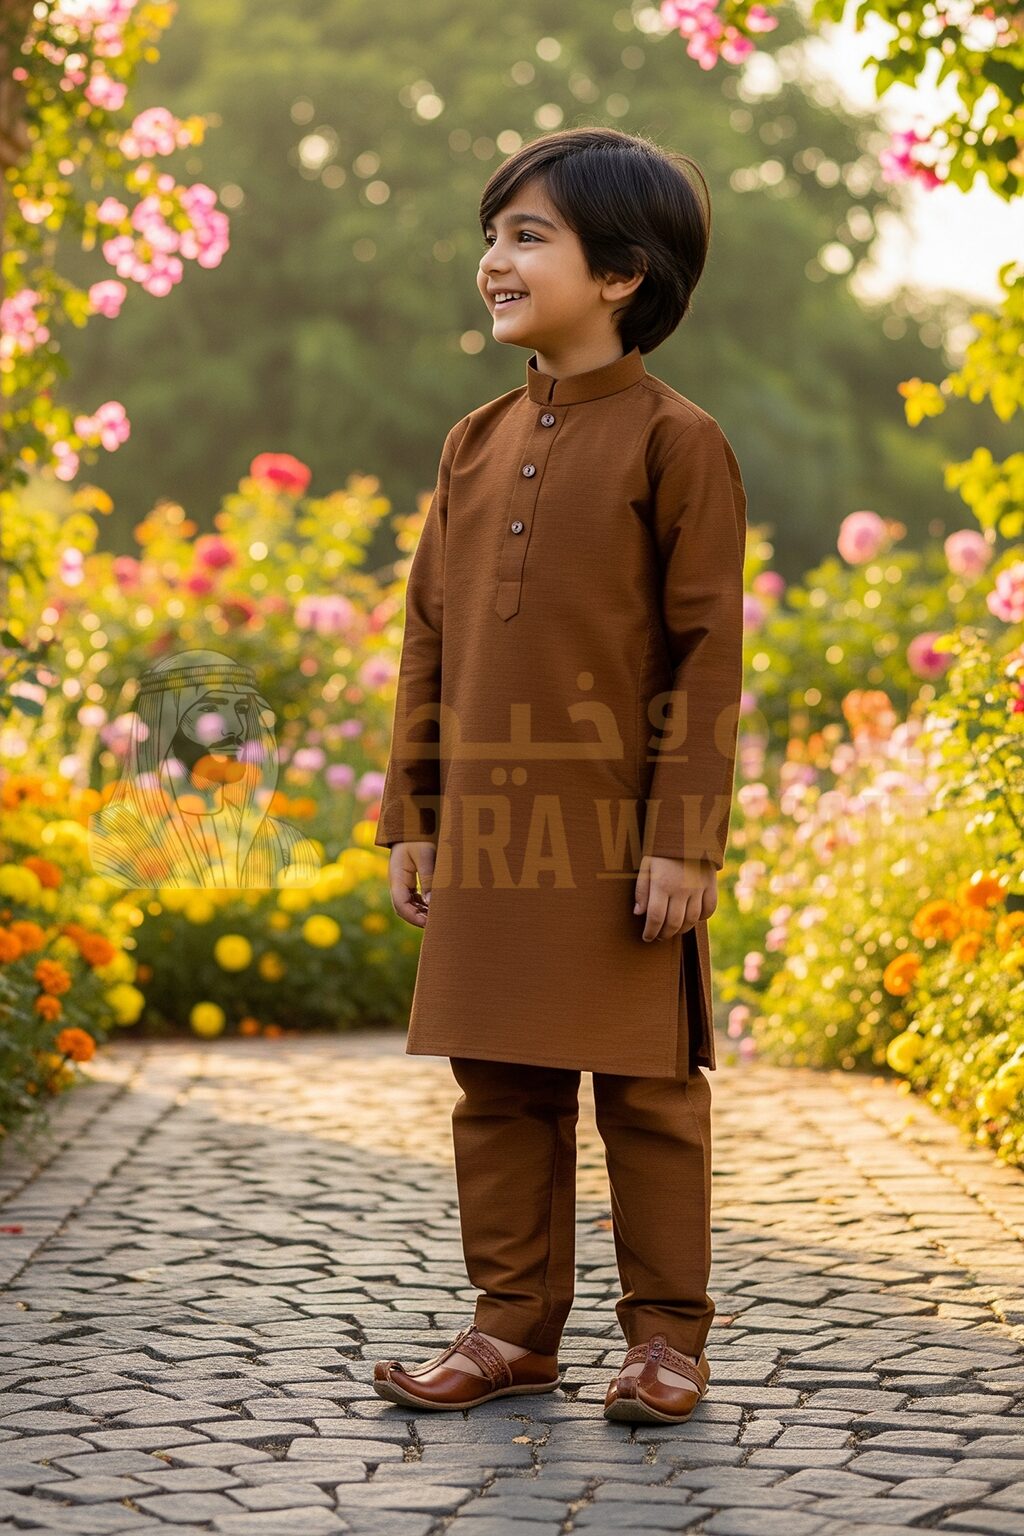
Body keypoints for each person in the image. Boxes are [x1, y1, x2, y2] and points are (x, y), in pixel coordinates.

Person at [371, 126, 747, 1425]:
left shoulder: (677, 442)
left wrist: (684, 838)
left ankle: (666, 1342)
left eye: (529, 236)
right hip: (489, 829)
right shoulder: (472, 443)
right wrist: (413, 816)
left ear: (623, 274)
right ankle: (511, 1330)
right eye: (492, 236)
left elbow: (708, 653)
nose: (495, 260)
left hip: (622, 834)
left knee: (648, 1092)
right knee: (498, 1084)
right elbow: (428, 638)